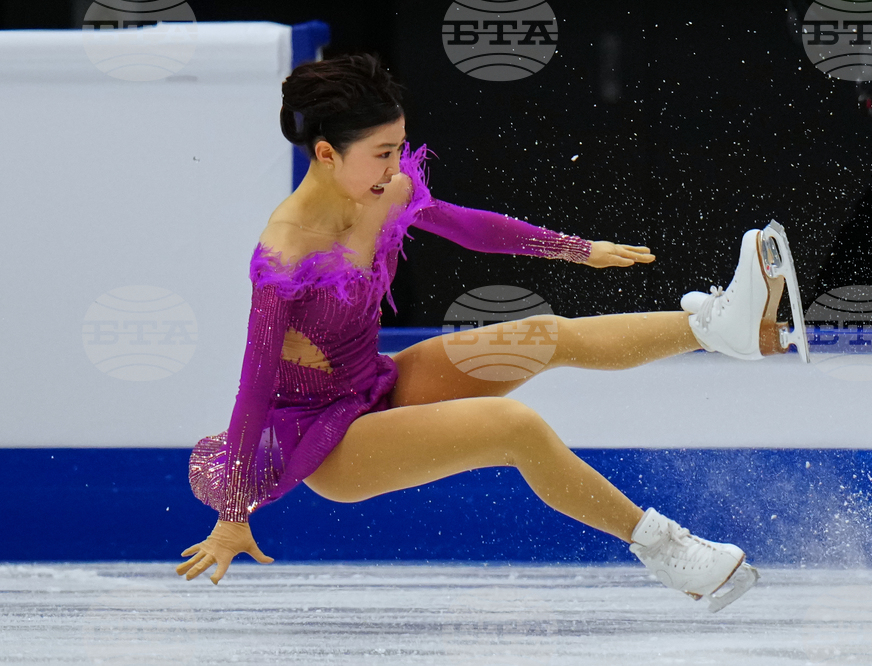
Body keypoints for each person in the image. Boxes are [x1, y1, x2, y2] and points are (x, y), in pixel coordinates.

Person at [175, 53, 808, 612]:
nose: (396, 167)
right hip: (325, 441)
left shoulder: (381, 192)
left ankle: (722, 329)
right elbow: (253, 391)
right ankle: (668, 553)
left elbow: (464, 224)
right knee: (516, 429)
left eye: (400, 147)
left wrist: (574, 250)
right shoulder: (283, 255)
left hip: (373, 384)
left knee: (542, 334)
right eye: (382, 153)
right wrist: (233, 517)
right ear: (325, 153)